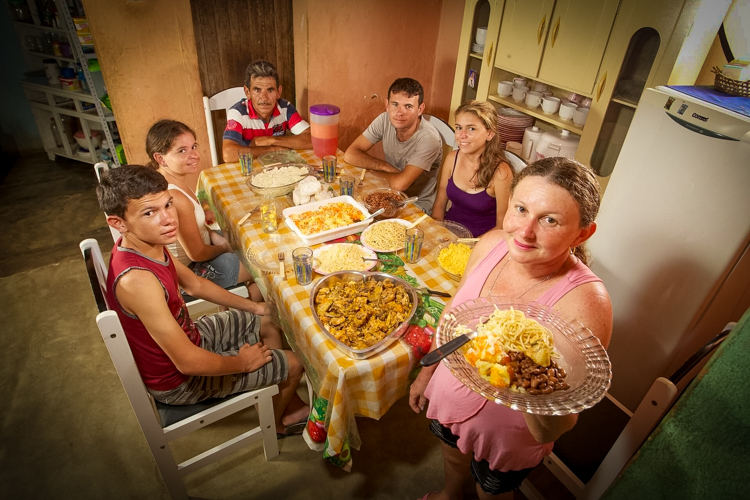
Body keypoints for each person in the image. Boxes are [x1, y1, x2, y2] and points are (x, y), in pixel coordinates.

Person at [409, 157, 613, 499]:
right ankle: (449, 494)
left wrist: (527, 377)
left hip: (508, 435)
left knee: (490, 491)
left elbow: (557, 424)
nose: (525, 231)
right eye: (520, 209)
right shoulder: (491, 243)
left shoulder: (587, 302)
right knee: (452, 456)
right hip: (451, 396)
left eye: (549, 220)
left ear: (583, 233)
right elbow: (454, 307)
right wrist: (427, 373)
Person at [97, 165, 309, 436]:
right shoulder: (137, 281)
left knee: (269, 319)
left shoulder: (146, 243)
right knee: (296, 362)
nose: (168, 219)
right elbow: (187, 362)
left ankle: (278, 393)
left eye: (168, 205)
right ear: (118, 223)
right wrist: (243, 363)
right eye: (150, 212)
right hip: (179, 380)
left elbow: (195, 284)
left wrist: (256, 306)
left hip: (191, 336)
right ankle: (277, 423)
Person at [146, 119, 261, 302]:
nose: (194, 155)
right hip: (188, 273)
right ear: (160, 159)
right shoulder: (174, 197)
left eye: (193, 147)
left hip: (200, 251)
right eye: (182, 151)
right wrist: (224, 247)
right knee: (264, 264)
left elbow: (195, 225)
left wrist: (215, 236)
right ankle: (251, 309)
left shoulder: (171, 180)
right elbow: (197, 254)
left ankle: (247, 297)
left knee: (250, 237)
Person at [344, 78, 442, 214]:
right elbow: (350, 154)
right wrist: (385, 167)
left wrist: (373, 172)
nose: (399, 112)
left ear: (420, 109)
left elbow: (399, 185)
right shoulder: (384, 119)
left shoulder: (429, 139)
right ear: (387, 105)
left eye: (408, 106)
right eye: (395, 104)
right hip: (387, 193)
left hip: (416, 205)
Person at [431, 101, 513, 237]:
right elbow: (440, 203)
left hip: (480, 241)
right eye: (459, 127)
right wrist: (436, 231)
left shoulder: (501, 172)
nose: (461, 135)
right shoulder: (452, 158)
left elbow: (502, 226)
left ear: (490, 133)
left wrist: (465, 246)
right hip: (447, 235)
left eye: (471, 129)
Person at [222, 59, 312, 162]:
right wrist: (272, 149)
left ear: (278, 92)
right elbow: (228, 154)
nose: (264, 98)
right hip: (250, 167)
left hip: (279, 166)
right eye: (257, 90)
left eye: (270, 90)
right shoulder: (238, 112)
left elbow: (311, 140)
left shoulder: (285, 108)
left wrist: (271, 140)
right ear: (247, 92)